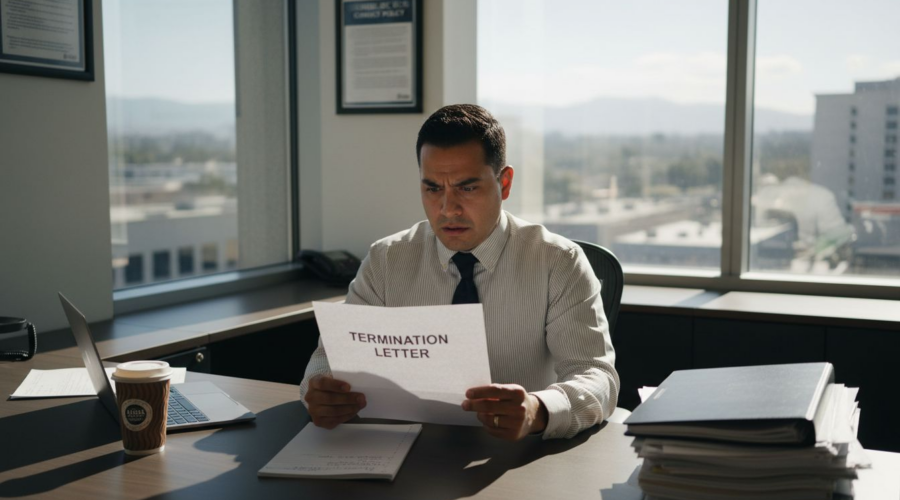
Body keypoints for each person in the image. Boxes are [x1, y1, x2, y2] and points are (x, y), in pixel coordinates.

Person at [300, 104, 619, 440]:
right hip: (407, 450)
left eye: (467, 188)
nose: (448, 209)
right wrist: (318, 389)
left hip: (516, 454)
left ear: (504, 183)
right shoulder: (387, 260)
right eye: (433, 188)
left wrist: (538, 409)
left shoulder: (559, 261)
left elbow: (596, 376)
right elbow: (329, 360)